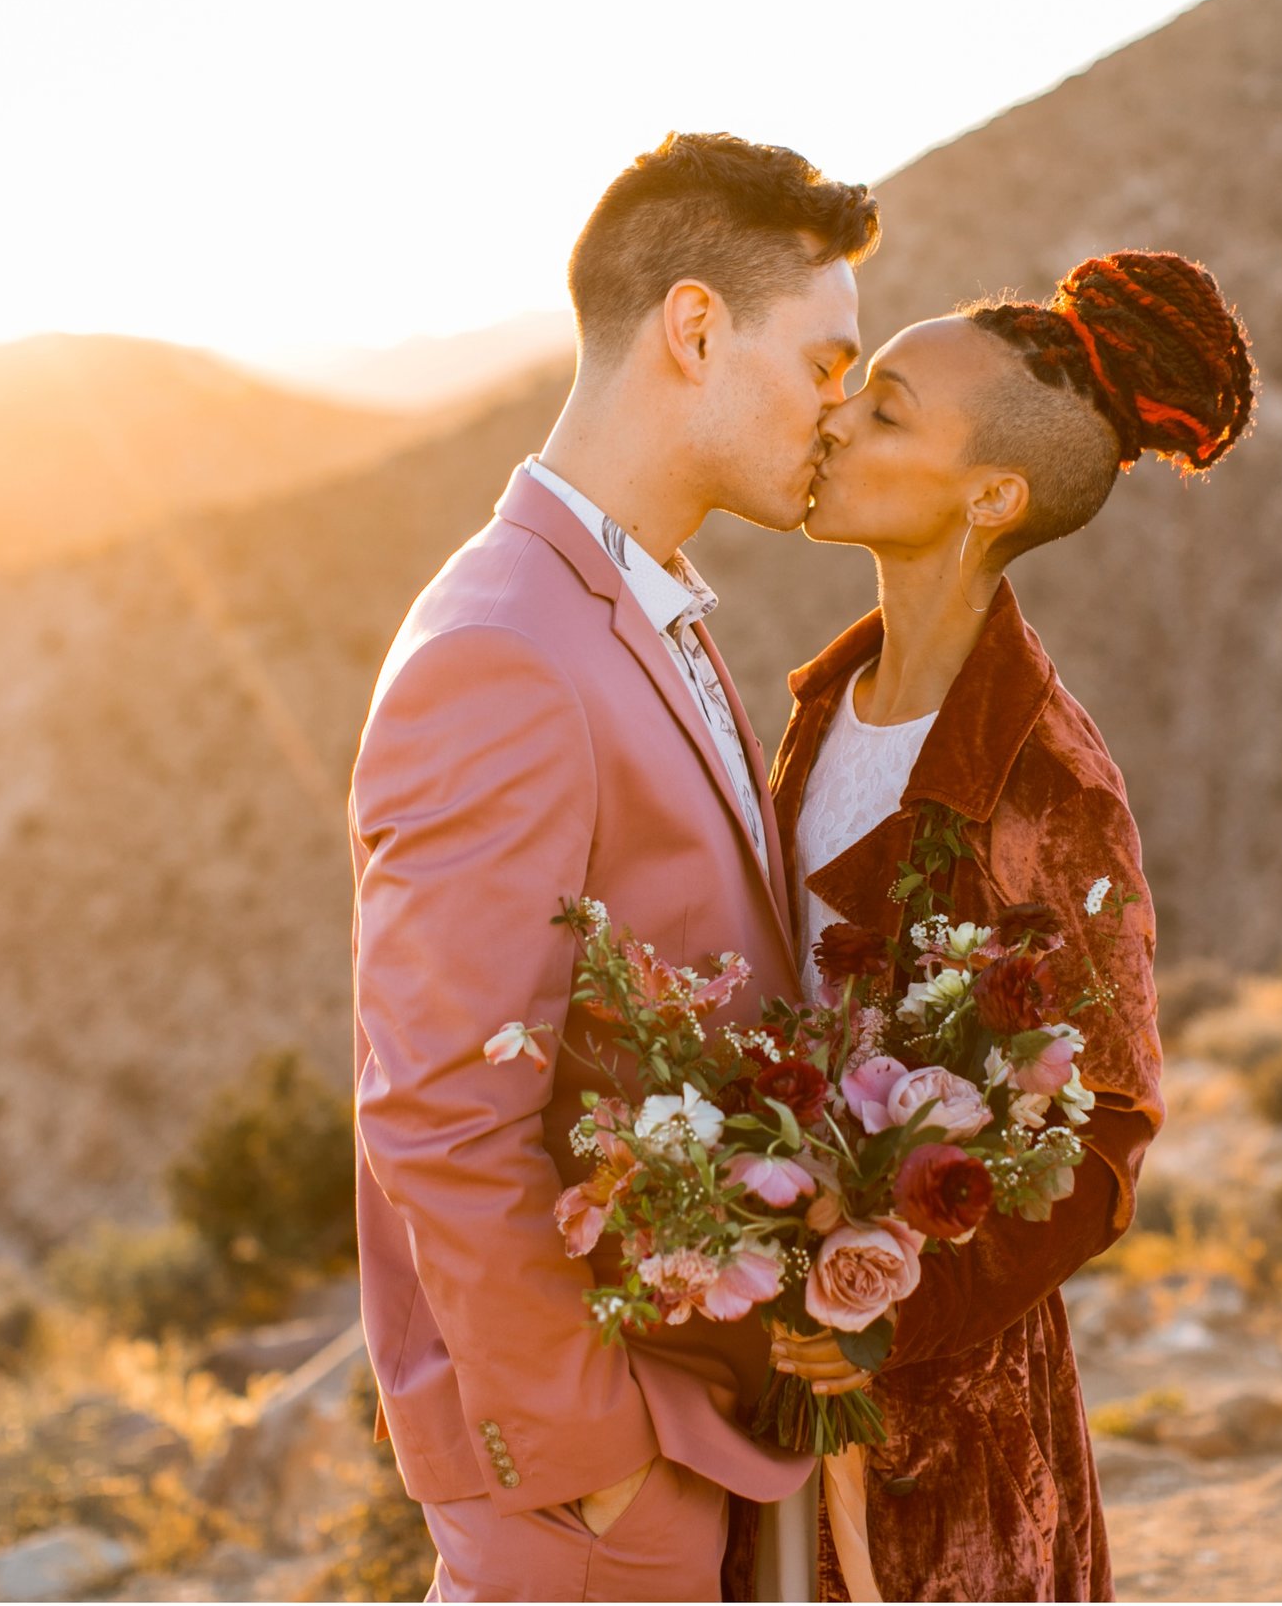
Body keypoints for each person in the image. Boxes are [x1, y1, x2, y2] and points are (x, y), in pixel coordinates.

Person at [347, 131, 878, 1602]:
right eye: (826, 365)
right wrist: (598, 1458)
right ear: (696, 329)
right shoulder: (501, 653)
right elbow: (440, 1110)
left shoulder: (646, 608)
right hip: (601, 1496)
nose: (843, 411)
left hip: (702, 1436)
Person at [726, 249, 1258, 1601]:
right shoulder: (828, 700)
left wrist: (885, 1311)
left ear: (991, 496)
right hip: (773, 1384)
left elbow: (1107, 1129)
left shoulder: (1047, 781)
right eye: (855, 387)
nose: (836, 416)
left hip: (945, 1438)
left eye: (888, 409)